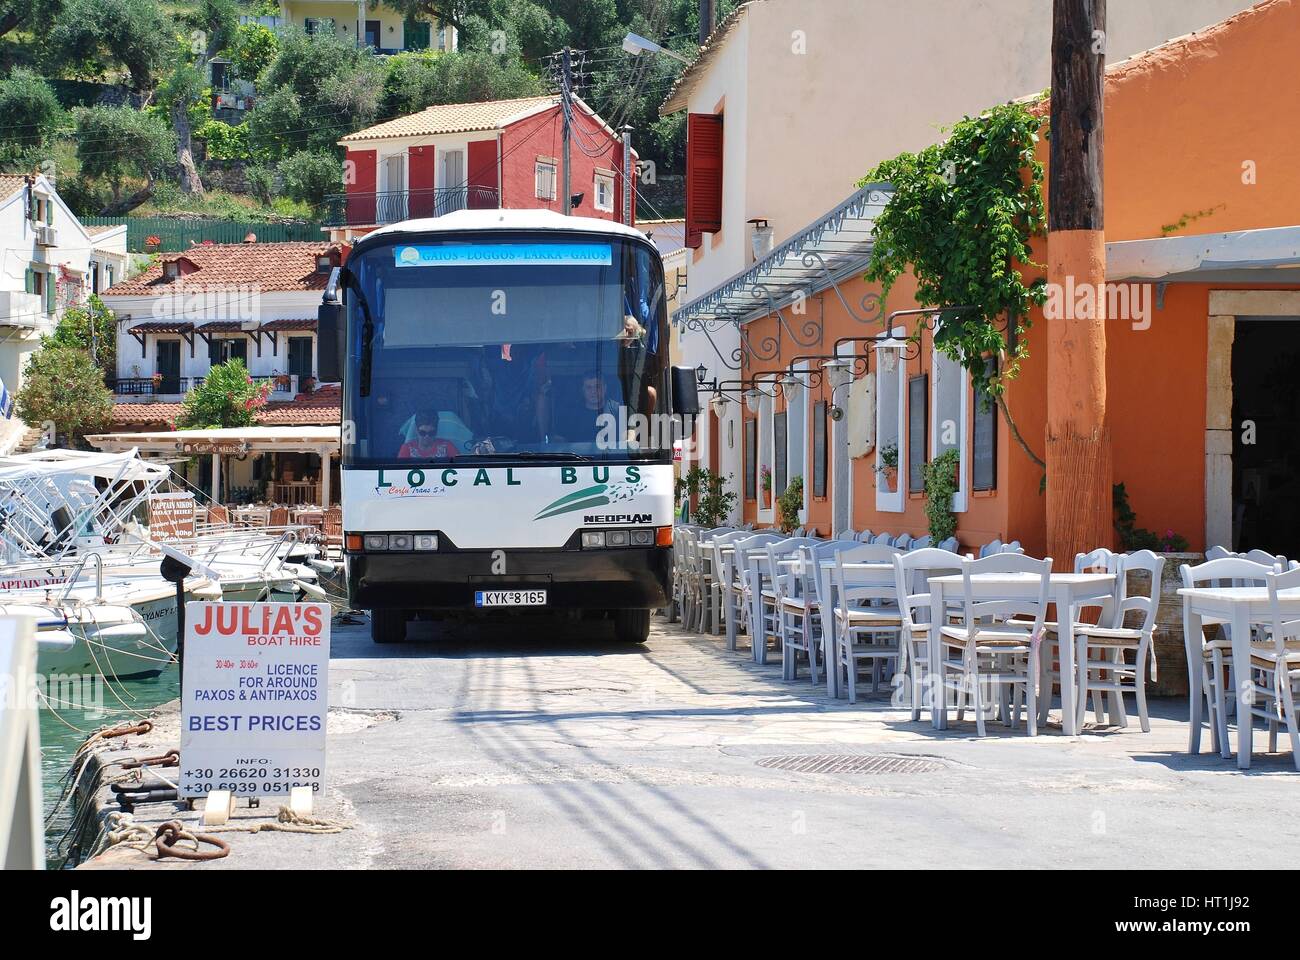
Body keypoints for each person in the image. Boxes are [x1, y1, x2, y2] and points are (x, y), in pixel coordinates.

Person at [550, 371, 617, 444]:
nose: (594, 391)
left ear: (605, 388)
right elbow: (560, 443)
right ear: (583, 390)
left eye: (597, 387)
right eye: (589, 387)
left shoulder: (616, 412)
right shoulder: (570, 415)